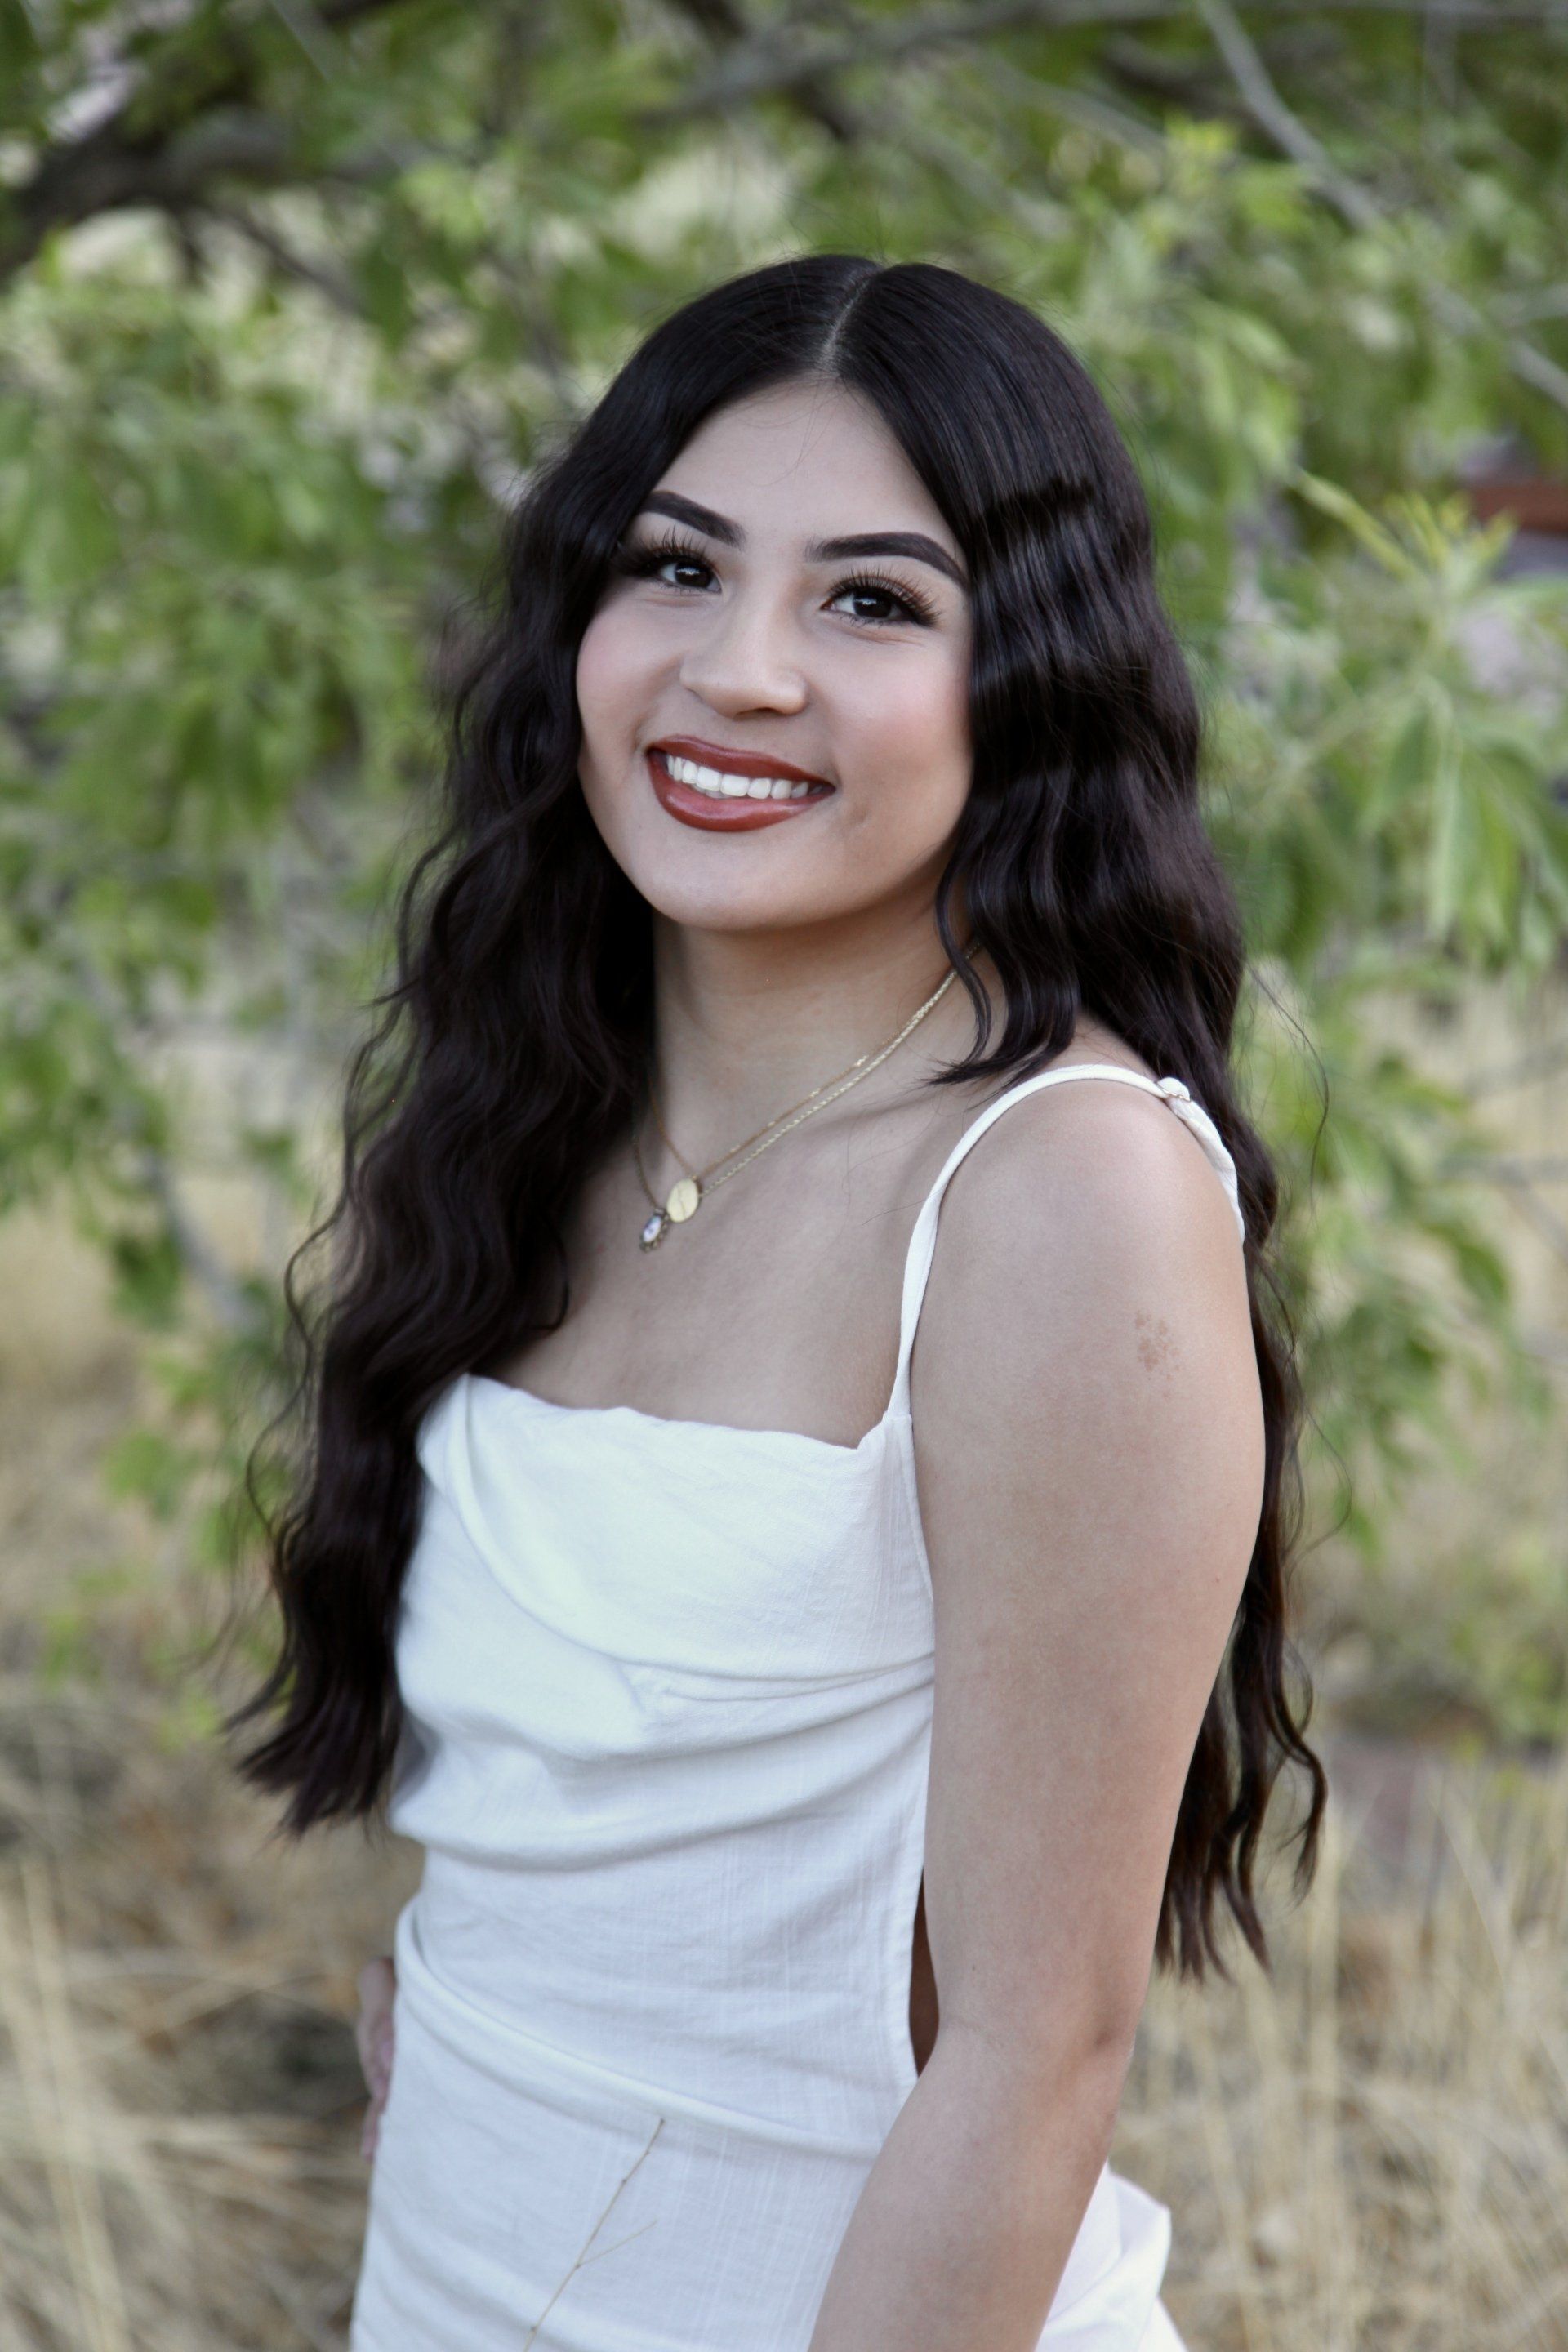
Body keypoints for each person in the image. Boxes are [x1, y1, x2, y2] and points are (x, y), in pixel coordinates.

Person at [230, 252, 1327, 2351]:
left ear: (1027, 682)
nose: (738, 671)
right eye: (678, 567)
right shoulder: (542, 1115)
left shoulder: (1061, 1193)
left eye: (872, 603)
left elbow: (1036, 2062)